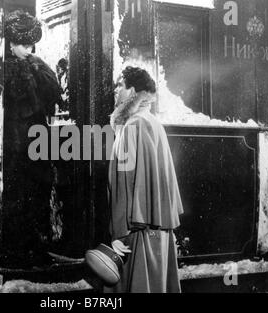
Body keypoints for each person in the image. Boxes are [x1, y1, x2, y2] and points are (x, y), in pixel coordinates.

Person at [106, 66, 184, 293]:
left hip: (135, 229)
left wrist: (118, 231)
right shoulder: (151, 122)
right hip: (155, 226)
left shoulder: (133, 126)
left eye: (120, 85)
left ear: (132, 92)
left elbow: (124, 182)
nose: (115, 90)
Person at [1, 10, 63, 268]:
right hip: (14, 145)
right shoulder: (0, 69)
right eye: (22, 44)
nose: (27, 49)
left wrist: (35, 66)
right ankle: (17, 251)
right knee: (17, 196)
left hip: (36, 143)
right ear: (11, 43)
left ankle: (38, 248)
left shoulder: (37, 65)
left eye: (30, 44)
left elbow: (54, 96)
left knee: (38, 195)